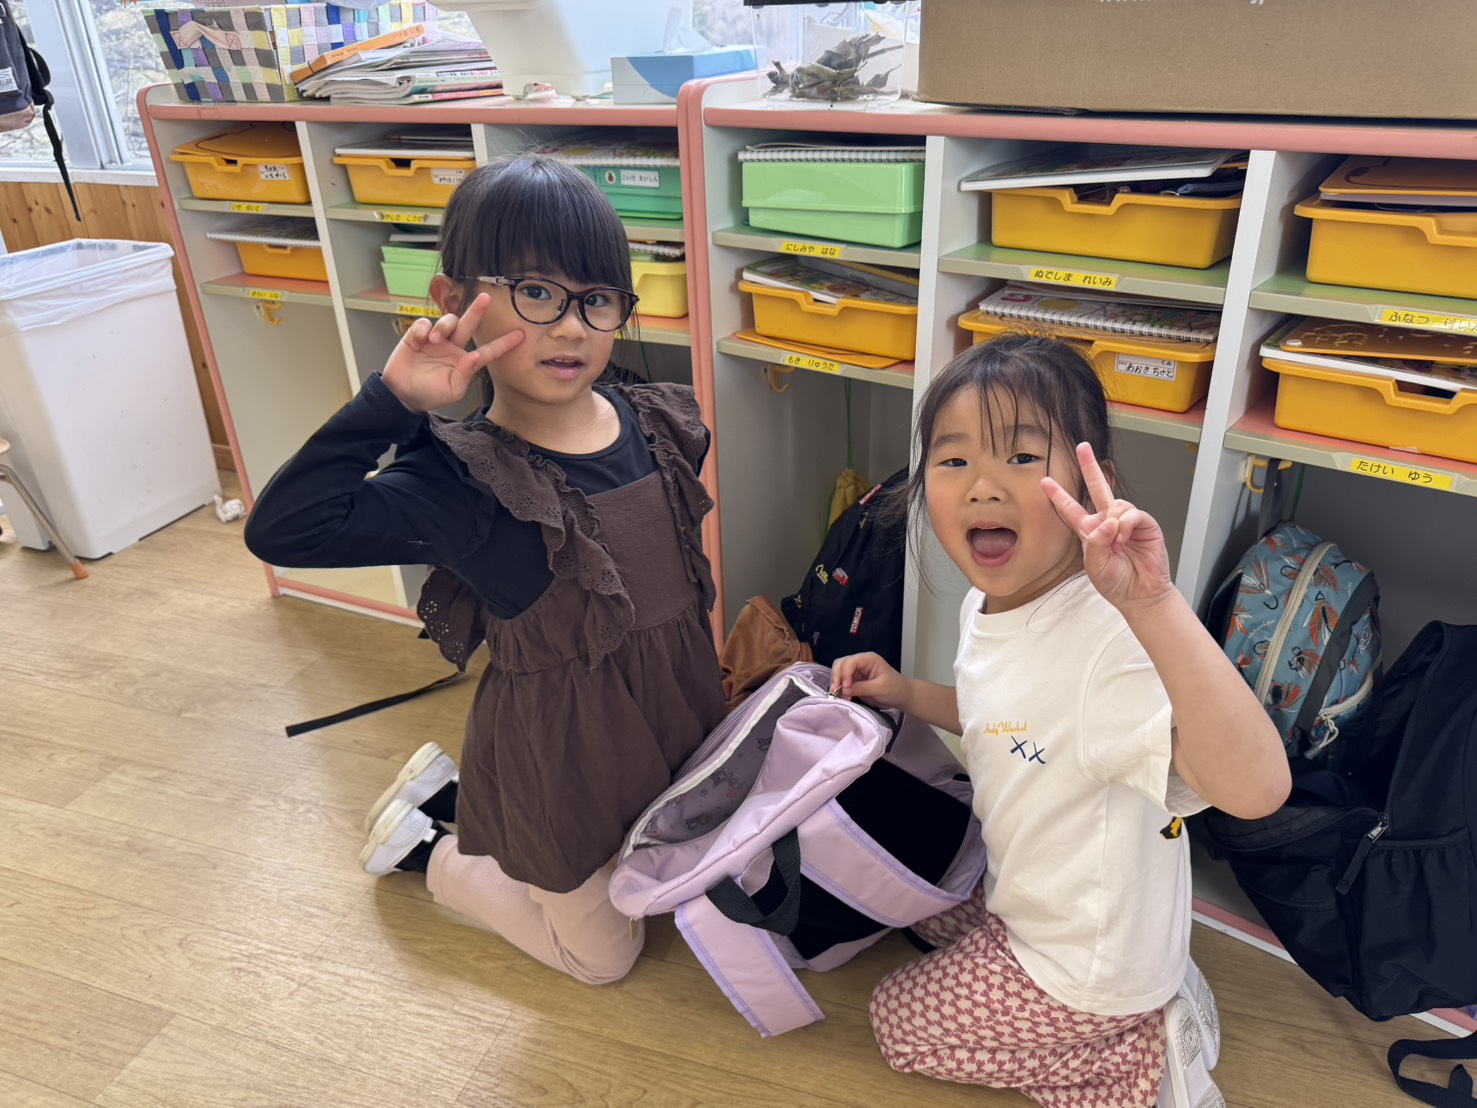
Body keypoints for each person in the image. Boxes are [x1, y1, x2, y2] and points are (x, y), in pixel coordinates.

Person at [244, 155, 727, 986]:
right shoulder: (460, 480)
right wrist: (392, 402)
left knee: (674, 877)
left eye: (596, 299)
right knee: (602, 959)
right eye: (536, 292)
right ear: (453, 300)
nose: (571, 328)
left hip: (671, 718)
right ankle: (432, 849)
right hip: (565, 764)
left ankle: (453, 803)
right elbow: (286, 528)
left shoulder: (655, 420)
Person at [830, 334, 1290, 1108]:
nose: (982, 486)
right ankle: (1146, 996)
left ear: (1091, 482)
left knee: (895, 1022)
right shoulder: (991, 603)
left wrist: (1153, 605)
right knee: (929, 905)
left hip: (1088, 966)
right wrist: (906, 692)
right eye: (953, 459)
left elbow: (1257, 788)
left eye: (1019, 457)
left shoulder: (1108, 643)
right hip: (1046, 905)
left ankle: (1137, 1059)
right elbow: (1004, 721)